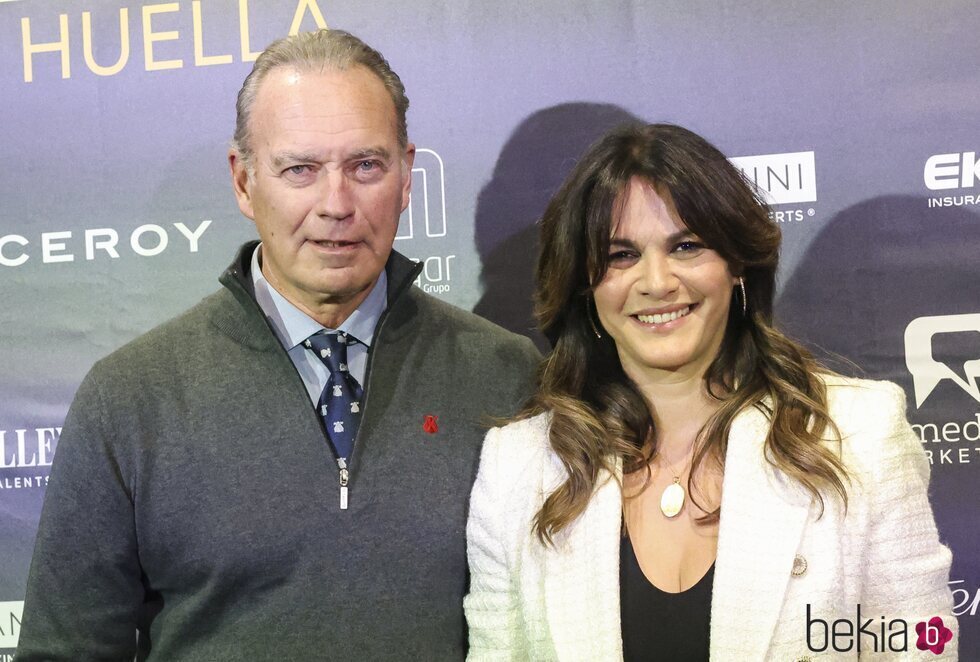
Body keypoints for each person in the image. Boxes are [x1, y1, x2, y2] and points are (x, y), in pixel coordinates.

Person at [16, 29, 540, 660]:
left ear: (406, 177)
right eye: (300, 169)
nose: (336, 204)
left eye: (365, 166)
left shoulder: (506, 376)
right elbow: (65, 649)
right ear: (243, 182)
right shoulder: (130, 397)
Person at [464, 123, 957, 661]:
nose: (656, 282)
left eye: (687, 246)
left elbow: (920, 650)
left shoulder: (859, 436)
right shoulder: (519, 464)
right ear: (586, 284)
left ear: (737, 264)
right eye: (622, 255)